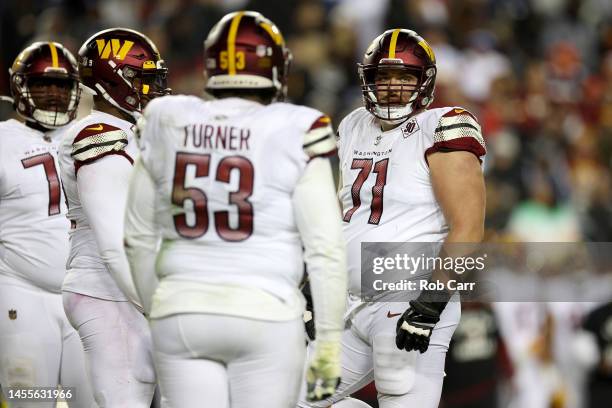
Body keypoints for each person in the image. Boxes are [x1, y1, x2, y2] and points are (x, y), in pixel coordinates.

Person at [124, 11, 347, 408]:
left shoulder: (169, 118)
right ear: (275, 67)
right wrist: (329, 342)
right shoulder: (294, 126)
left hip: (182, 307)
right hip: (265, 310)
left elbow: (137, 237)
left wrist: (161, 301)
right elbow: (325, 248)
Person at [299, 28, 486, 408]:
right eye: (384, 77)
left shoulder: (443, 125)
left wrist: (432, 301)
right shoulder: (352, 125)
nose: (393, 87)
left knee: (400, 395)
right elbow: (347, 215)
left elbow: (469, 228)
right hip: (350, 304)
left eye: (405, 77)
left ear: (425, 82)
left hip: (408, 298)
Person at [57, 28, 170, 408]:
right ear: (112, 81)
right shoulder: (100, 134)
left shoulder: (135, 133)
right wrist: (161, 305)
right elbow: (114, 243)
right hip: (109, 289)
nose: (153, 89)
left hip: (132, 289)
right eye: (143, 79)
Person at [0, 42, 94, 407]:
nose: (54, 94)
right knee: (31, 400)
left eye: (63, 85)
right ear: (20, 87)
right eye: (42, 84)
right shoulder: (4, 139)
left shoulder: (90, 134)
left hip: (87, 297)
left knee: (96, 399)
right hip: (22, 296)